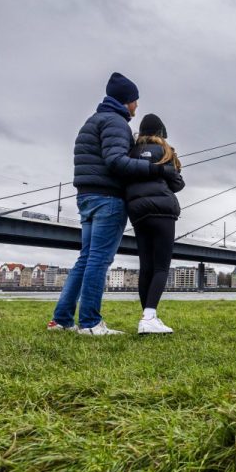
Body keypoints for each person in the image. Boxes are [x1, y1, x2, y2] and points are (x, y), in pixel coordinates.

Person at [48, 73, 175, 335]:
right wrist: (157, 170)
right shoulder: (116, 123)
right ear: (126, 100)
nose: (136, 106)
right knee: (99, 259)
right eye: (135, 100)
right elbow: (116, 161)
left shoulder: (92, 120)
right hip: (107, 197)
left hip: (86, 195)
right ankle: (90, 323)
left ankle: (61, 320)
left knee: (85, 258)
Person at [125, 114, 184, 334]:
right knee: (161, 267)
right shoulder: (165, 151)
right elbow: (177, 184)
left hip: (138, 211)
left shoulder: (130, 153)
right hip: (162, 211)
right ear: (161, 133)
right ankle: (149, 317)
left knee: (146, 266)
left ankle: (147, 317)